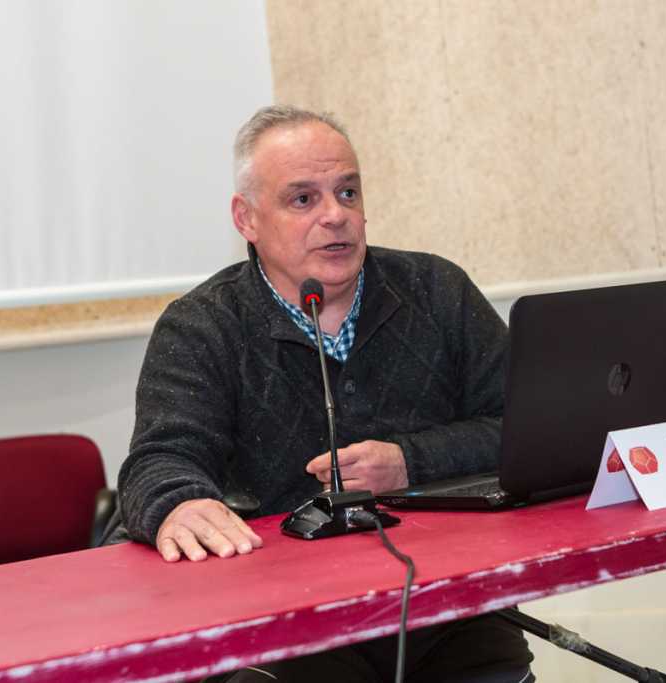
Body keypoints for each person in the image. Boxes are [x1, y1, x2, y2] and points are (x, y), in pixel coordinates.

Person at [117, 105, 534, 682]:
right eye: (303, 199)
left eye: (348, 192)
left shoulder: (437, 290)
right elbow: (158, 461)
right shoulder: (202, 325)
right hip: (286, 619)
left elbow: (524, 425)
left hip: (446, 607)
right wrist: (179, 503)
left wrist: (410, 461)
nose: (336, 216)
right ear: (247, 218)